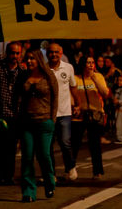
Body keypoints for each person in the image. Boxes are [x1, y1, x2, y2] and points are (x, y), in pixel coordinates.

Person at [15, 48, 58, 202]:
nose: (29, 61)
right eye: (27, 59)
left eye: (32, 58)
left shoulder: (49, 76)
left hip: (44, 122)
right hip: (27, 122)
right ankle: (28, 191)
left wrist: (52, 119)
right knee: (27, 157)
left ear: (39, 59)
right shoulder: (23, 76)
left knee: (44, 155)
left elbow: (55, 98)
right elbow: (17, 98)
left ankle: (49, 182)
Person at [0, 41, 26, 185]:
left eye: (17, 53)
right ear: (7, 53)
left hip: (14, 115)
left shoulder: (22, 72)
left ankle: (9, 175)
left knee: (11, 146)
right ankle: (2, 173)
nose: (14, 56)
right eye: (11, 53)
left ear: (20, 54)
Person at [71, 55, 110, 179]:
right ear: (83, 64)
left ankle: (97, 171)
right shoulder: (76, 79)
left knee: (95, 145)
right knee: (75, 144)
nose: (91, 65)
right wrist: (75, 106)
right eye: (88, 62)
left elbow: (105, 93)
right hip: (80, 115)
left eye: (93, 62)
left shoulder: (98, 77)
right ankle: (70, 169)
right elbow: (71, 95)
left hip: (95, 114)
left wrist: (93, 77)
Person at [47, 42, 78, 182]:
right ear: (47, 54)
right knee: (48, 145)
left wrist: (78, 103)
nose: (53, 55)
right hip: (47, 114)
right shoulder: (44, 69)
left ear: (61, 53)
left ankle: (70, 167)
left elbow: (73, 87)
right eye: (51, 52)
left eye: (56, 52)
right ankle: (51, 174)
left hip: (65, 113)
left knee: (65, 142)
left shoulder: (68, 67)